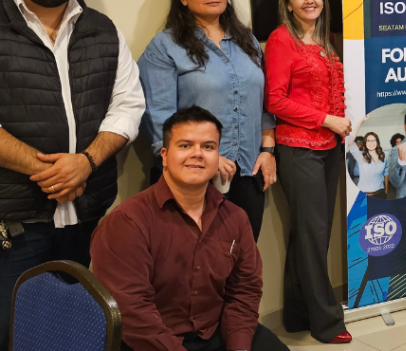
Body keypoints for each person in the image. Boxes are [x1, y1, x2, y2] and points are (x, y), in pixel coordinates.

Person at [0, 0, 145, 350]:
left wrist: (85, 162)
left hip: (88, 213)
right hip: (14, 220)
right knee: (13, 331)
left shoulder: (102, 28)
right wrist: (44, 168)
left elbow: (129, 103)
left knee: (80, 327)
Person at [91, 106, 288, 351]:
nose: (197, 154)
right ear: (164, 155)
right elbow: (133, 312)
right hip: (150, 341)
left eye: (208, 147)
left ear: (218, 156)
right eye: (185, 145)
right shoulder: (127, 223)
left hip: (214, 331)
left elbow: (244, 292)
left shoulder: (235, 218)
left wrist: (239, 348)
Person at [139, 0, 277, 241]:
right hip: (192, 177)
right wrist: (201, 158)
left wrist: (268, 151)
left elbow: (262, 102)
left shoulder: (246, 40)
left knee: (243, 261)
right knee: (195, 268)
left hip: (249, 172)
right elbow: (158, 115)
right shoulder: (166, 45)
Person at [265, 0, 352, 344]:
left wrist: (337, 123)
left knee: (307, 235)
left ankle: (298, 314)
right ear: (288, 3)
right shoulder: (281, 39)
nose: (309, 0)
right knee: (315, 236)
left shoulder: (323, 38)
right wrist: (327, 119)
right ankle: (328, 322)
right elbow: (275, 100)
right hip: (299, 148)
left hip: (329, 148)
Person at [350, 131, 387, 198]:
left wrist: (386, 191)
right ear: (365, 143)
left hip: (380, 193)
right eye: (368, 141)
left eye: (373, 140)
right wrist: (360, 121)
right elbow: (350, 142)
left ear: (377, 142)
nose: (371, 143)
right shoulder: (360, 156)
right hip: (363, 195)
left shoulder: (384, 155)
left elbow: (386, 173)